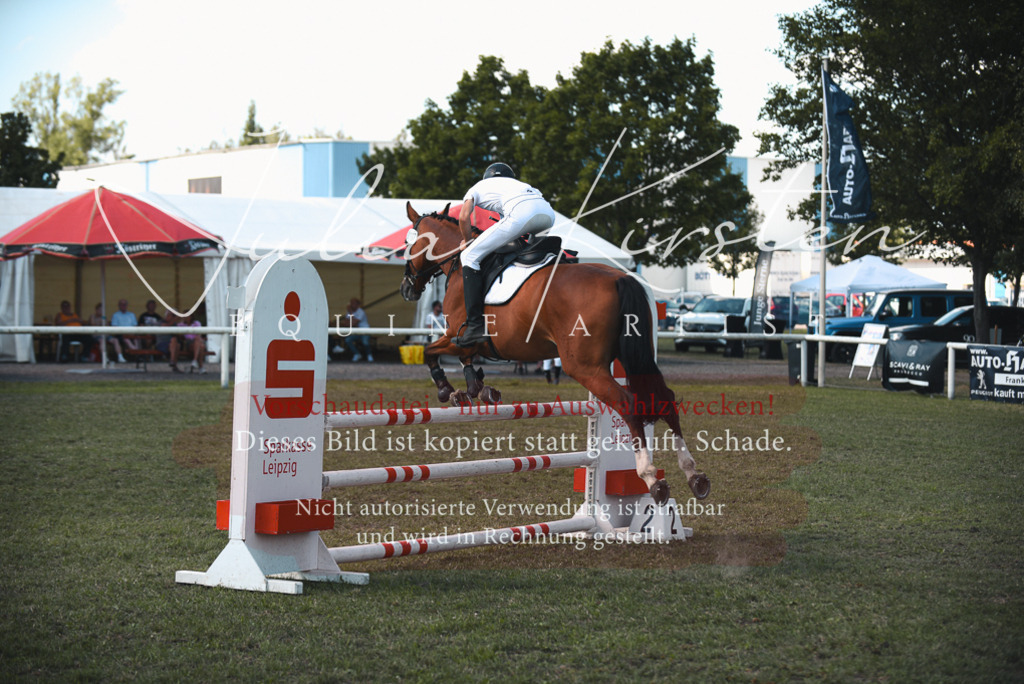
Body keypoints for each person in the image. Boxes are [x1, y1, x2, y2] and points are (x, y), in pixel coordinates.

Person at [453, 162, 556, 347]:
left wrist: (467, 241)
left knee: (468, 256)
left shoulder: (478, 187)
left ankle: (476, 326)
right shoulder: (521, 186)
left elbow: (463, 217)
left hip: (521, 214)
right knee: (529, 257)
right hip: (548, 215)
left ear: (487, 177)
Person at [344, 298, 373, 362]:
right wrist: (352, 321)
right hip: (356, 331)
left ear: (358, 304)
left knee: (365, 342)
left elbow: (354, 322)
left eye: (353, 303)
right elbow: (345, 323)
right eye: (351, 303)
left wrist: (351, 314)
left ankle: (369, 355)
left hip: (365, 331)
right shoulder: (349, 312)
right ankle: (357, 354)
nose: (351, 305)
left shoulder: (361, 312)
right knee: (348, 340)